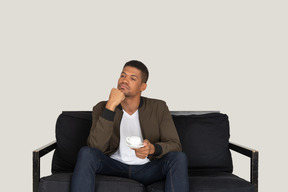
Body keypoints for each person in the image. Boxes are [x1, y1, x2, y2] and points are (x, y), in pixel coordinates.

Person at [71, 60, 189, 192]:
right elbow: (95, 147)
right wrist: (110, 106)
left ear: (142, 86)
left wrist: (152, 149)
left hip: (147, 168)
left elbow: (175, 145)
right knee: (86, 153)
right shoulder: (102, 107)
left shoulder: (158, 107)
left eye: (132, 78)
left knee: (178, 158)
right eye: (122, 75)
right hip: (114, 166)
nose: (124, 81)